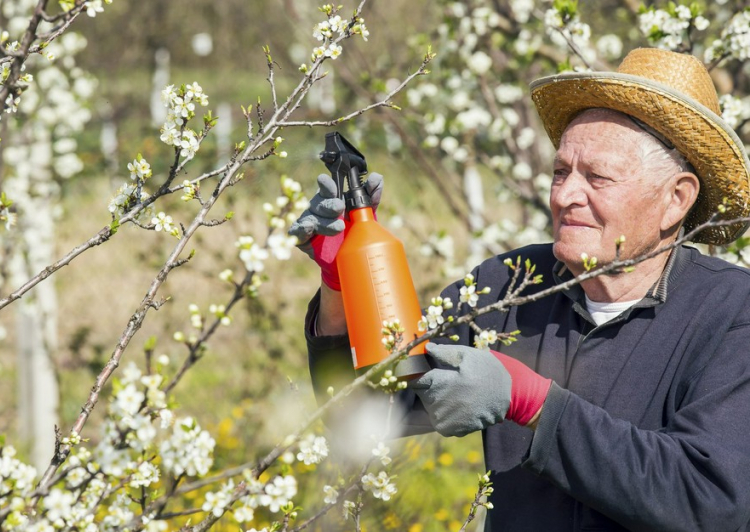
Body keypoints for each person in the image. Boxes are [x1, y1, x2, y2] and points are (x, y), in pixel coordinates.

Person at [288, 48, 750, 531]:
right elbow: (366, 412)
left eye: (597, 177)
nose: (565, 194)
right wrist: (343, 284)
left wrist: (532, 402)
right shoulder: (509, 286)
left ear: (676, 199)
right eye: (560, 171)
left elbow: (708, 500)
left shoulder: (732, 314)